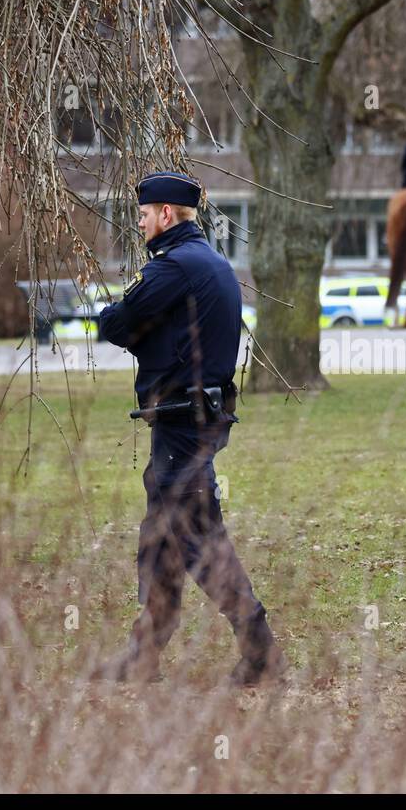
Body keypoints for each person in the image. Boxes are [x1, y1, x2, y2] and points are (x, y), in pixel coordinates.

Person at [96, 170, 284, 687]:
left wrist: (129, 322)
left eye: (142, 216)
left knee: (200, 540)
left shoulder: (174, 267)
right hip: (194, 417)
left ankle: (261, 652)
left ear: (164, 214)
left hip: (183, 420)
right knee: (162, 540)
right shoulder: (209, 263)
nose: (140, 226)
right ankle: (144, 656)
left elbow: (115, 323)